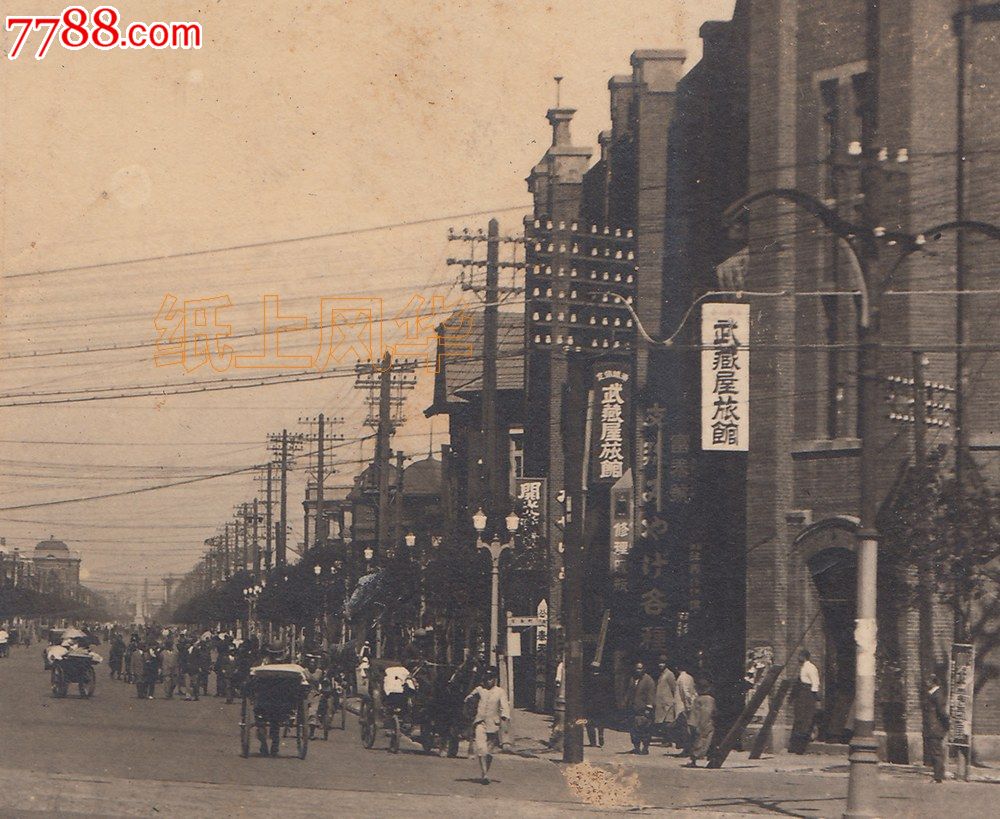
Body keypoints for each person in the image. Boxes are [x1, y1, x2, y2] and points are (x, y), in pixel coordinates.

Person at [464, 667, 510, 785]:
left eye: (491, 678)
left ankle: (485, 772)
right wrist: (470, 701)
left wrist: (504, 717)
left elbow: (505, 706)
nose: (488, 681)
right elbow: (468, 698)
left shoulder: (500, 692)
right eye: (486, 678)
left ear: (495, 679)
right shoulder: (479, 689)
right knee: (481, 749)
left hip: (493, 724)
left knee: (489, 752)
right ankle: (484, 774)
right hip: (480, 722)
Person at [789, 649, 820, 754]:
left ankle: (800, 747)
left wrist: (814, 696)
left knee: (805, 719)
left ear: (804, 656)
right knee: (799, 718)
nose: (798, 658)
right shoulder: (802, 667)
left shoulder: (810, 668)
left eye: (800, 656)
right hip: (802, 693)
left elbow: (815, 682)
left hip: (807, 693)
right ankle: (794, 746)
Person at [623, 660, 656, 755]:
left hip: (643, 709)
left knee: (645, 729)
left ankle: (645, 748)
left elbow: (651, 695)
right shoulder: (632, 679)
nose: (638, 670)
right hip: (633, 708)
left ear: (644, 669)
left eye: (640, 668)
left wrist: (648, 708)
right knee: (634, 729)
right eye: (637, 668)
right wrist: (625, 703)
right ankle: (636, 747)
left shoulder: (648, 680)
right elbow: (629, 692)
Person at [923, 673, 949, 783]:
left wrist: (946, 724)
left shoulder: (937, 695)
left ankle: (938, 777)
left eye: (928, 681)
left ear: (932, 682)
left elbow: (941, 712)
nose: (926, 683)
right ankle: (938, 775)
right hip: (933, 727)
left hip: (935, 727)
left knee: (936, 752)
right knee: (935, 751)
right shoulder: (933, 694)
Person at [685, 678, 717, 767]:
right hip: (704, 724)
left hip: (695, 723)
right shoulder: (708, 699)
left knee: (698, 742)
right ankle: (699, 758)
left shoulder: (700, 698)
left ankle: (693, 759)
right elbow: (706, 713)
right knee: (704, 742)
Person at [672, 658, 698, 755]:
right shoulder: (690, 677)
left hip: (683, 707)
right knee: (687, 729)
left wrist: (688, 706)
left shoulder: (682, 678)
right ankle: (687, 748)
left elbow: (685, 692)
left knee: (684, 730)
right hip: (686, 705)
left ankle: (686, 749)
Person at [654, 654, 678, 745]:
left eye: (663, 663)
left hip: (668, 703)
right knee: (662, 723)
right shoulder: (661, 674)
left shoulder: (669, 674)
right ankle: (665, 739)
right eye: (659, 663)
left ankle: (668, 740)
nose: (661, 665)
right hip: (661, 703)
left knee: (668, 722)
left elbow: (674, 688)